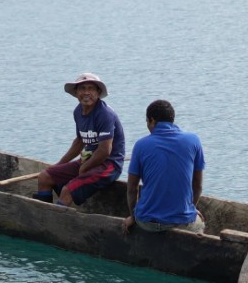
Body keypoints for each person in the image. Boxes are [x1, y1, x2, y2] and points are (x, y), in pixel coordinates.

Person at [36, 73, 125, 209]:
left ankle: (56, 223)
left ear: (98, 92)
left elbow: (104, 151)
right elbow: (79, 141)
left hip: (108, 165)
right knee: (45, 176)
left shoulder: (104, 114)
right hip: (88, 160)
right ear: (76, 92)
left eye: (91, 89)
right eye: (82, 89)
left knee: (67, 191)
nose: (86, 93)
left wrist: (85, 167)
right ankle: (43, 215)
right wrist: (59, 164)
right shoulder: (78, 112)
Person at [122, 99, 205, 235]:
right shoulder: (193, 140)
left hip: (148, 223)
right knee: (200, 224)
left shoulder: (141, 145)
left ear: (152, 121)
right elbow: (198, 185)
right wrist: (190, 208)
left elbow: (132, 189)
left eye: (147, 122)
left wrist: (133, 216)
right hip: (183, 221)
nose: (147, 126)